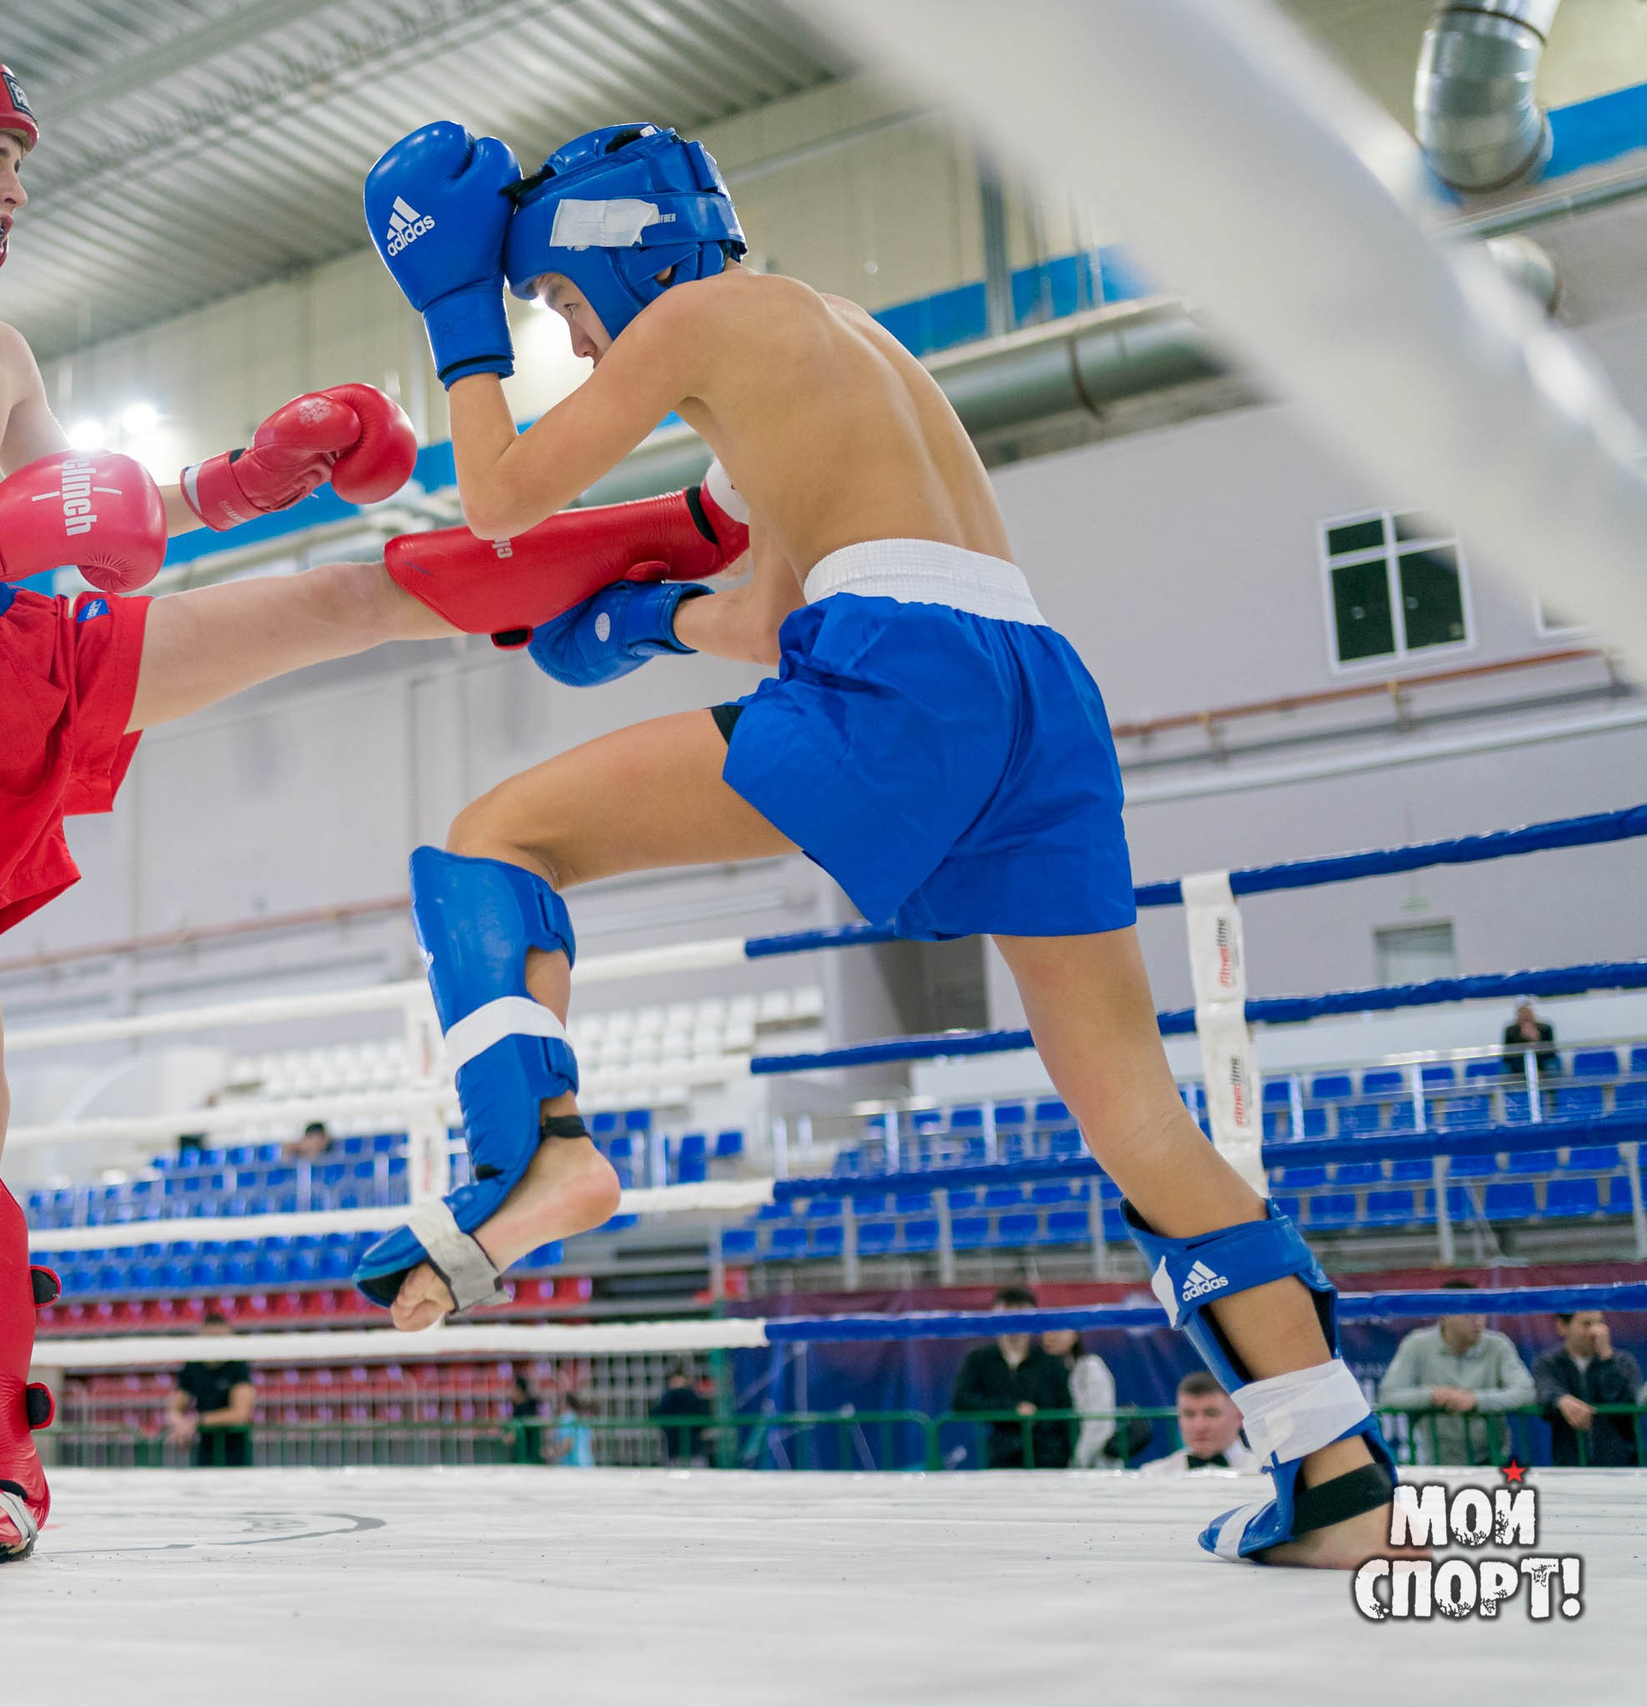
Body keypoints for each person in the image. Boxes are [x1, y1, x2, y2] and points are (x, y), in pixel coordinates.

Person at [348, 115, 1402, 1565]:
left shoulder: (701, 315)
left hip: (907, 675)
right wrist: (644, 622)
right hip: (1035, 688)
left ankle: (536, 1155)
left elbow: (501, 498)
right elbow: (780, 613)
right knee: (1142, 1118)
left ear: (612, 252)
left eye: (560, 304)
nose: (575, 345)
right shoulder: (844, 343)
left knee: (493, 838)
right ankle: (1338, 1473)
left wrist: (453, 315)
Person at [0, 50, 473, 1571]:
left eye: (16, 159)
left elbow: (84, 526)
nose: (15, 187)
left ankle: (649, 557)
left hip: (36, 652)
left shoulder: (0, 352)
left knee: (335, 596)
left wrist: (247, 478)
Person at [1377, 1280, 1536, 1465]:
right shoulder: (1416, 1344)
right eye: (1468, 1313)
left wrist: (1476, 1400)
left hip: (1493, 1461)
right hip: (1436, 1464)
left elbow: (1526, 1392)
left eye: (1481, 1312)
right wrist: (1433, 1395)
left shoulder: (1498, 1344)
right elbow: (1388, 1395)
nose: (1478, 1320)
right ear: (1444, 1314)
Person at [949, 1287, 1075, 1468]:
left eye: (1020, 1314)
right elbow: (960, 1401)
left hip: (1049, 1460)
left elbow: (1067, 1413)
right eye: (1007, 1314)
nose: (1014, 1321)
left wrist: (1067, 1454)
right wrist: (1011, 1410)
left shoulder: (1051, 1363)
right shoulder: (979, 1359)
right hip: (1001, 1458)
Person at [1530, 1309, 1641, 1467]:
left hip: (1620, 1464)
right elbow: (1544, 1389)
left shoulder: (1623, 1361)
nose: (1596, 1331)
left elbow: (1627, 1398)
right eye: (1586, 1324)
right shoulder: (1548, 1362)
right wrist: (1561, 1400)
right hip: (1569, 1464)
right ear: (1562, 1326)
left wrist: (1607, 1359)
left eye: (1600, 1323)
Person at [166, 1311, 258, 1467]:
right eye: (211, 1338)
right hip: (205, 1449)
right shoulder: (193, 1366)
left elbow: (241, 1413)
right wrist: (180, 1424)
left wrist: (198, 1421)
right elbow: (174, 1408)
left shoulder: (238, 1366)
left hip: (235, 1450)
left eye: (219, 1339)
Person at [1142, 1372, 1260, 1473]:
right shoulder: (1154, 1475)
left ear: (1239, 1417)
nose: (1199, 1426)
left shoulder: (1265, 1474)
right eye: (1189, 1415)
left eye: (1211, 1414)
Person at [1042, 1326, 1123, 1469]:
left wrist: (1076, 1466)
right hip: (1052, 1468)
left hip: (1093, 1469)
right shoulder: (1041, 1374)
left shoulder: (1090, 1367)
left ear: (1075, 1334)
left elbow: (1098, 1425)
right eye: (1048, 1328)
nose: (1051, 1336)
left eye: (1060, 1329)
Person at [649, 1362, 716, 1466]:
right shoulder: (687, 1396)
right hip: (684, 1451)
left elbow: (656, 1414)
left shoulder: (677, 1397)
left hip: (685, 1450)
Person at [1499, 1000, 1561, 1078]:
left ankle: (1550, 1090)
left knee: (1551, 1068)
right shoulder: (1511, 1031)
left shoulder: (1545, 1028)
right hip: (1517, 1061)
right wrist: (1521, 1038)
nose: (1524, 1016)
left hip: (1543, 1060)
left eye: (1527, 1013)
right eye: (1522, 1013)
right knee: (1505, 1071)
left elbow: (1551, 1052)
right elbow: (1508, 1055)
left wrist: (1537, 1040)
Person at [506, 1366, 547, 1465]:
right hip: (525, 1458)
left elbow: (512, 1437)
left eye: (513, 1388)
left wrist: (509, 1436)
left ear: (519, 1390)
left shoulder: (525, 1409)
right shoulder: (520, 1407)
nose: (510, 1391)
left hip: (528, 1458)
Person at [548, 1391, 595, 1467]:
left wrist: (550, 1453)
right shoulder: (583, 1419)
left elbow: (568, 1445)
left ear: (565, 1404)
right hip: (588, 1463)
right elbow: (592, 1445)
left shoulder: (566, 1419)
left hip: (574, 1466)